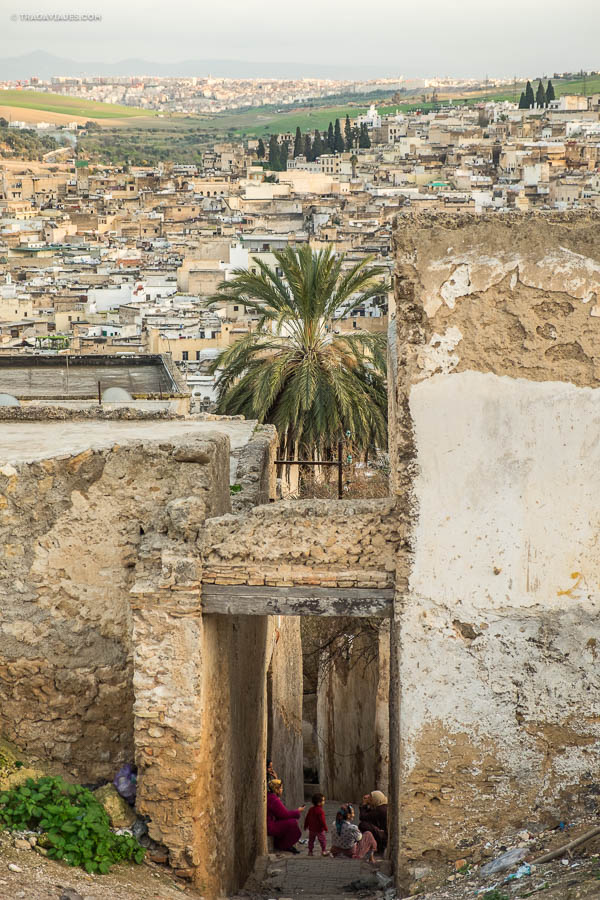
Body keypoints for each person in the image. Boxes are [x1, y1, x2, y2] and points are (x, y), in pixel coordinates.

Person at [267, 778, 304, 853]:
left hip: (269, 823)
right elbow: (284, 814)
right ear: (276, 789)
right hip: (269, 826)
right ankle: (283, 845)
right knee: (293, 823)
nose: (282, 790)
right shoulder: (273, 799)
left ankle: (283, 844)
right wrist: (297, 811)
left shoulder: (270, 796)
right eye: (281, 788)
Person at [304, 792, 330, 857]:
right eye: (323, 800)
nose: (324, 801)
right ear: (319, 803)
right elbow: (322, 821)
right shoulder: (320, 811)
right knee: (322, 840)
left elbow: (307, 818)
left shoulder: (311, 809)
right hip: (319, 830)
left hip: (311, 829)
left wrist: (305, 825)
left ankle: (310, 852)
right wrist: (325, 828)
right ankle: (323, 851)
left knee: (311, 841)